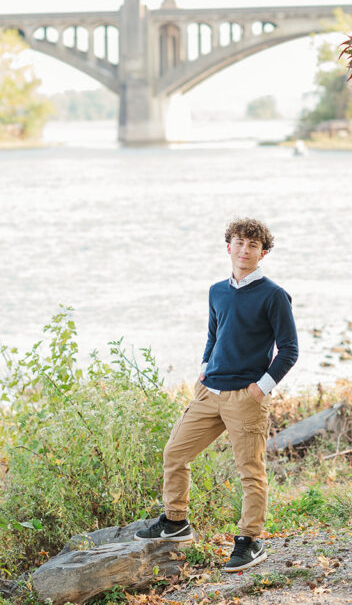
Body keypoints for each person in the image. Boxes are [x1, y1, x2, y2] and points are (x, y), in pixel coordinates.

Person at [135, 217, 299, 572]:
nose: (245, 250)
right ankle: (176, 521)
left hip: (246, 398)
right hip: (209, 393)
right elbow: (214, 333)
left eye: (253, 246)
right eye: (239, 243)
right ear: (229, 247)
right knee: (174, 453)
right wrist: (204, 366)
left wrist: (260, 389)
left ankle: (250, 541)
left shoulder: (274, 295)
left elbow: (289, 350)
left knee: (250, 472)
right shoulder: (216, 291)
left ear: (263, 253)